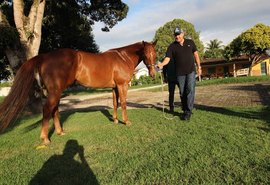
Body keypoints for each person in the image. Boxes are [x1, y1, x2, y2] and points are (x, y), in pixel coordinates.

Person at [158, 27, 201, 121]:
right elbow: (167, 59)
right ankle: (186, 109)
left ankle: (188, 111)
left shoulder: (190, 42)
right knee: (182, 92)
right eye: (175, 35)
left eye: (178, 34)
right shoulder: (172, 46)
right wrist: (161, 64)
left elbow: (196, 55)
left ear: (183, 34)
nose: (177, 36)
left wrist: (199, 67)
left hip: (191, 71)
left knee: (190, 90)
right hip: (180, 74)